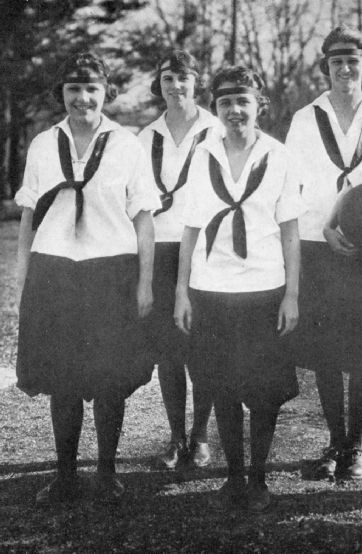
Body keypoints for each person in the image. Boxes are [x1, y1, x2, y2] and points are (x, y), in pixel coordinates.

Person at [15, 52, 160, 504]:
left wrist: (144, 283)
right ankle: (65, 476)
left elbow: (144, 219)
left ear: (105, 93)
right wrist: (25, 280)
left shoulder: (127, 144)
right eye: (73, 90)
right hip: (55, 272)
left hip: (111, 272)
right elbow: (28, 217)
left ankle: (106, 474)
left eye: (92, 89)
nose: (83, 98)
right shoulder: (43, 144)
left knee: (110, 377)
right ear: (62, 94)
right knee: (63, 378)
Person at [174, 66, 303, 512]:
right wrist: (182, 292)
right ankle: (232, 477)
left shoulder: (279, 155)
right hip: (211, 289)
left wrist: (291, 294)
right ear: (216, 109)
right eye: (225, 102)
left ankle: (259, 477)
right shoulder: (201, 154)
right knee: (222, 386)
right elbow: (189, 229)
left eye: (242, 101)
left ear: (258, 105)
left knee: (264, 392)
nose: (234, 110)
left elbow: (290, 231)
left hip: (265, 289)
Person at [285, 25, 362, 479]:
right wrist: (324, 226)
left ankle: (355, 445)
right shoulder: (303, 118)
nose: (345, 70)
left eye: (353, 62)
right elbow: (293, 187)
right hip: (320, 244)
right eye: (337, 63)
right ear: (326, 67)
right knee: (327, 351)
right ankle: (334, 441)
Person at [138, 50, 220, 470]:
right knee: (169, 350)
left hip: (207, 249)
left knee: (202, 347)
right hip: (163, 249)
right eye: (168, 78)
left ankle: (201, 435)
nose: (176, 86)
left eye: (183, 78)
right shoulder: (146, 136)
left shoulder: (216, 128)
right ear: (160, 85)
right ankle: (174, 437)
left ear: (196, 82)